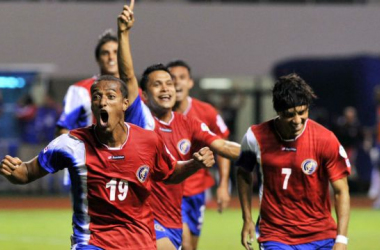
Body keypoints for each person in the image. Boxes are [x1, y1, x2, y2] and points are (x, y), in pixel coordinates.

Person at [0, 75, 216, 250]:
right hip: (92, 242)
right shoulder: (71, 144)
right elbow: (27, 172)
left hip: (140, 241)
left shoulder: (148, 141)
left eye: (110, 96)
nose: (102, 101)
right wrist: (13, 172)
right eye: (96, 97)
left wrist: (194, 164)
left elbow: (170, 174)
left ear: (124, 104)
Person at [117, 4, 240, 250]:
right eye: (157, 84)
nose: (166, 89)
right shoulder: (140, 116)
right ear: (144, 93)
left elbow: (222, 145)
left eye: (169, 83)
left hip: (173, 217)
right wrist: (124, 34)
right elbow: (127, 75)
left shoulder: (189, 122)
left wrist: (263, 150)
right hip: (141, 217)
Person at [237, 73, 351, 250]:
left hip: (321, 235)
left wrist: (341, 239)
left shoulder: (325, 139)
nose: (297, 121)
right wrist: (247, 218)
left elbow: (341, 190)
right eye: (290, 115)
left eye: (302, 112)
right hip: (276, 235)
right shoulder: (255, 137)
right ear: (278, 111)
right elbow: (243, 173)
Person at [166, 60, 231, 250]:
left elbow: (223, 148)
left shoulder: (206, 112)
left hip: (197, 192)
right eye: (171, 79)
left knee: (191, 247)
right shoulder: (155, 113)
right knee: (183, 243)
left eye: (182, 78)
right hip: (169, 192)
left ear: (190, 83)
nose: (177, 83)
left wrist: (223, 185)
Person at [56, 29, 119, 136]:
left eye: (116, 52)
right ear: (98, 59)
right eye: (105, 53)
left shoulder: (135, 92)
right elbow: (63, 130)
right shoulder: (80, 90)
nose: (111, 57)